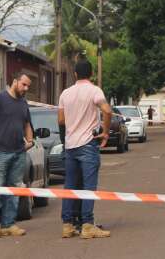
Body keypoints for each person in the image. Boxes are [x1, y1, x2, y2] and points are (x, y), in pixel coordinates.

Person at [58, 59, 112, 239]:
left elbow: (61, 121)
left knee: (70, 186)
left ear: (75, 74)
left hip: (70, 144)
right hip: (88, 144)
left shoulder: (65, 93)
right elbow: (107, 110)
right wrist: (105, 132)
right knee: (89, 186)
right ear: (91, 74)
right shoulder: (94, 90)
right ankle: (87, 225)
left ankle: (67, 225)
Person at [0, 72, 34, 239]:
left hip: (19, 153)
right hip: (0, 153)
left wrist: (30, 140)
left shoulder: (23, 103)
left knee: (14, 190)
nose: (26, 88)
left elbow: (26, 123)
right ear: (15, 81)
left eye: (28, 86)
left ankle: (8, 224)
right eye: (24, 84)